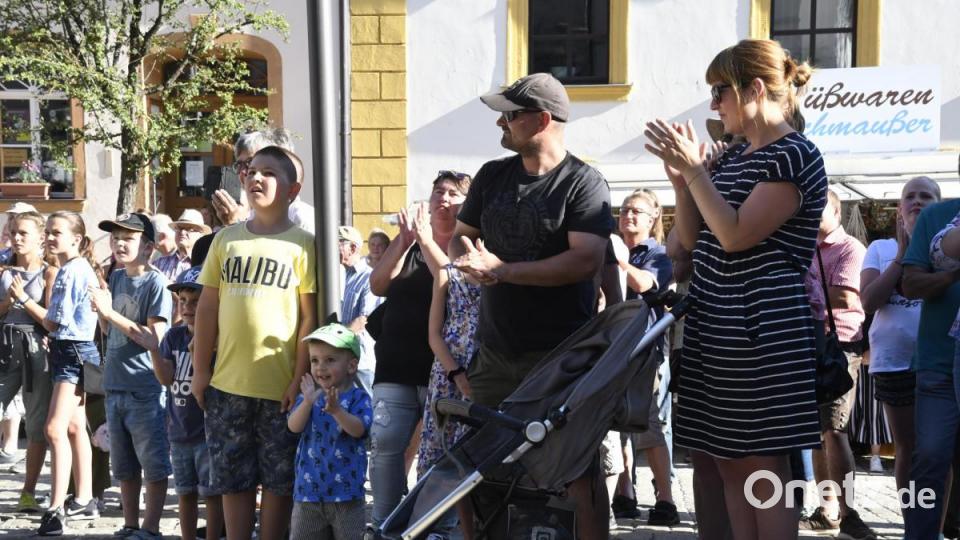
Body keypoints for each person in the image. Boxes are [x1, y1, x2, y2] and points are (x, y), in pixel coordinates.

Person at [643, 39, 827, 539]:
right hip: (715, 321)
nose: (714, 103)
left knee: (762, 467)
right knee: (726, 463)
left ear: (755, 88)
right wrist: (684, 182)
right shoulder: (732, 157)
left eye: (720, 91)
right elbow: (686, 241)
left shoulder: (795, 154)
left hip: (762, 326)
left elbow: (736, 234)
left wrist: (697, 170)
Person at [450, 72, 613, 538]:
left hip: (562, 358)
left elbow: (586, 261)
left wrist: (501, 270)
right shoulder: (492, 174)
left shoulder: (584, 183)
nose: (501, 122)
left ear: (541, 120)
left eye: (511, 114)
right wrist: (470, 260)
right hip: (495, 354)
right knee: (485, 465)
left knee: (575, 469)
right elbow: (462, 238)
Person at [193, 145, 318, 540]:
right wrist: (200, 371)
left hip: (278, 388)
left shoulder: (304, 245)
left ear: (293, 189)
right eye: (251, 171)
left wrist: (297, 378)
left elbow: (309, 319)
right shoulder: (225, 240)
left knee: (279, 482)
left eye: (269, 172)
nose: (256, 178)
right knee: (233, 479)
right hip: (227, 384)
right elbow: (207, 308)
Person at [366, 170, 469, 529]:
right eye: (437, 191)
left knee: (441, 452)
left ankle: (436, 525)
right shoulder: (411, 245)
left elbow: (452, 280)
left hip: (442, 370)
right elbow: (378, 285)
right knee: (385, 443)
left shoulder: (465, 244)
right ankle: (385, 522)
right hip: (395, 364)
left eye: (452, 193)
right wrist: (404, 239)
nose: (442, 198)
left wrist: (424, 239)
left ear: (466, 204)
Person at [88, 213, 174, 539]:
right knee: (123, 466)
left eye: (128, 238)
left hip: (144, 388)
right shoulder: (118, 277)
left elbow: (155, 337)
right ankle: (129, 524)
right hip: (115, 384)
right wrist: (102, 313)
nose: (119, 243)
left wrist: (109, 312)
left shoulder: (156, 284)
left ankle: (151, 528)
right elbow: (110, 331)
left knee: (153, 464)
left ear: (148, 247)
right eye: (115, 237)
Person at [859, 177, 939, 517]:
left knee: (938, 449)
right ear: (899, 209)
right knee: (909, 446)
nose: (917, 202)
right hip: (893, 363)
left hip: (941, 361)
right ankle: (913, 523)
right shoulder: (880, 249)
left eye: (926, 196)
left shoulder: (949, 248)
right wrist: (902, 257)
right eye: (910, 197)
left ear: (940, 204)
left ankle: (937, 520)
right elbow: (869, 302)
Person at [802, 190, 874, 538]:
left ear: (836, 210)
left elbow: (847, 295)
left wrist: (802, 292)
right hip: (811, 345)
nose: (812, 214)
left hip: (841, 346)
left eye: (820, 208)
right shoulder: (802, 247)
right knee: (817, 435)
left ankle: (849, 513)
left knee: (834, 430)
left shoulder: (850, 248)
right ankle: (828, 508)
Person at [900, 163, 960, 539]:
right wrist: (952, 275)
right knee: (930, 458)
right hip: (938, 362)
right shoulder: (937, 216)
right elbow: (910, 283)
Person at [615, 189, 678, 526]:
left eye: (637, 211)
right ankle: (624, 494)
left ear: (654, 217)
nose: (629, 215)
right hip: (611, 351)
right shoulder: (609, 249)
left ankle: (665, 500)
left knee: (650, 425)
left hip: (645, 351)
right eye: (625, 209)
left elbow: (645, 285)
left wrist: (620, 261)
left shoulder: (659, 254)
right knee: (616, 425)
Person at [37, 211, 103, 535]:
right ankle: (85, 497)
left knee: (54, 429)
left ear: (76, 238)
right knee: (75, 426)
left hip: (72, 352)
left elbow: (53, 321)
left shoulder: (70, 271)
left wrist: (23, 300)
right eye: (48, 231)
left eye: (56, 232)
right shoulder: (73, 268)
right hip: (74, 349)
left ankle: (55, 509)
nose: (50, 237)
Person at [148, 266, 224, 540]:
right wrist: (154, 350)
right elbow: (166, 379)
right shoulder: (173, 336)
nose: (188, 307)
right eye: (183, 301)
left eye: (195, 301)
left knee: (212, 495)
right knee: (185, 493)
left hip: (207, 430)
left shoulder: (219, 336)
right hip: (179, 429)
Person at [287, 323, 372, 540]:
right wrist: (306, 403)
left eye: (330, 360)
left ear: (352, 366)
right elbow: (293, 426)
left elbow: (358, 429)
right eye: (315, 360)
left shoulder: (358, 398)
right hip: (308, 494)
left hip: (347, 494)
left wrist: (337, 411)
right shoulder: (310, 396)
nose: (320, 367)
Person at [0, 211, 56, 512]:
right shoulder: (4, 271)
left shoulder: (49, 272)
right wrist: (10, 301)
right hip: (6, 348)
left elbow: (51, 320)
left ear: (40, 237)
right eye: (13, 232)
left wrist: (23, 299)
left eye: (23, 233)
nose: (17, 238)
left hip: (38, 352)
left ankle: (28, 492)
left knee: (36, 425)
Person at [212, 128, 316, 234]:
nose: (243, 172)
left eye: (250, 163)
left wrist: (234, 225)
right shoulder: (251, 216)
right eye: (239, 165)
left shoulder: (301, 217)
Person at [338, 225, 379, 393]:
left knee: (368, 409)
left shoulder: (369, 277)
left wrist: (334, 340)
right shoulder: (343, 275)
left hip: (361, 361)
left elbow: (364, 320)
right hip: (345, 359)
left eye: (337, 244)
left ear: (353, 247)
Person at [153, 209, 212, 282]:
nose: (182, 232)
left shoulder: (207, 264)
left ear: (200, 235)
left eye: (189, 229)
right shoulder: (159, 263)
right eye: (179, 228)